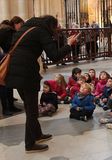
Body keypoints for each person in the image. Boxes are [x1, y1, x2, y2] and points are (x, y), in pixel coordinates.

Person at [5, 15, 77, 153]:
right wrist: (68, 45)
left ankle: (37, 134)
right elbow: (54, 56)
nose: (56, 30)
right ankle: (30, 144)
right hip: (26, 74)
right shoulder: (41, 31)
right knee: (32, 110)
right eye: (56, 27)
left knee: (29, 105)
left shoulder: (26, 28)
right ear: (50, 25)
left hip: (14, 72)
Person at [0, 17, 24, 116]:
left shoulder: (5, 30)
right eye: (21, 25)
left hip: (4, 58)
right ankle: (7, 108)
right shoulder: (8, 31)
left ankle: (9, 106)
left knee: (6, 84)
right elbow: (11, 46)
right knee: (4, 85)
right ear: (16, 24)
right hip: (5, 59)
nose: (21, 27)